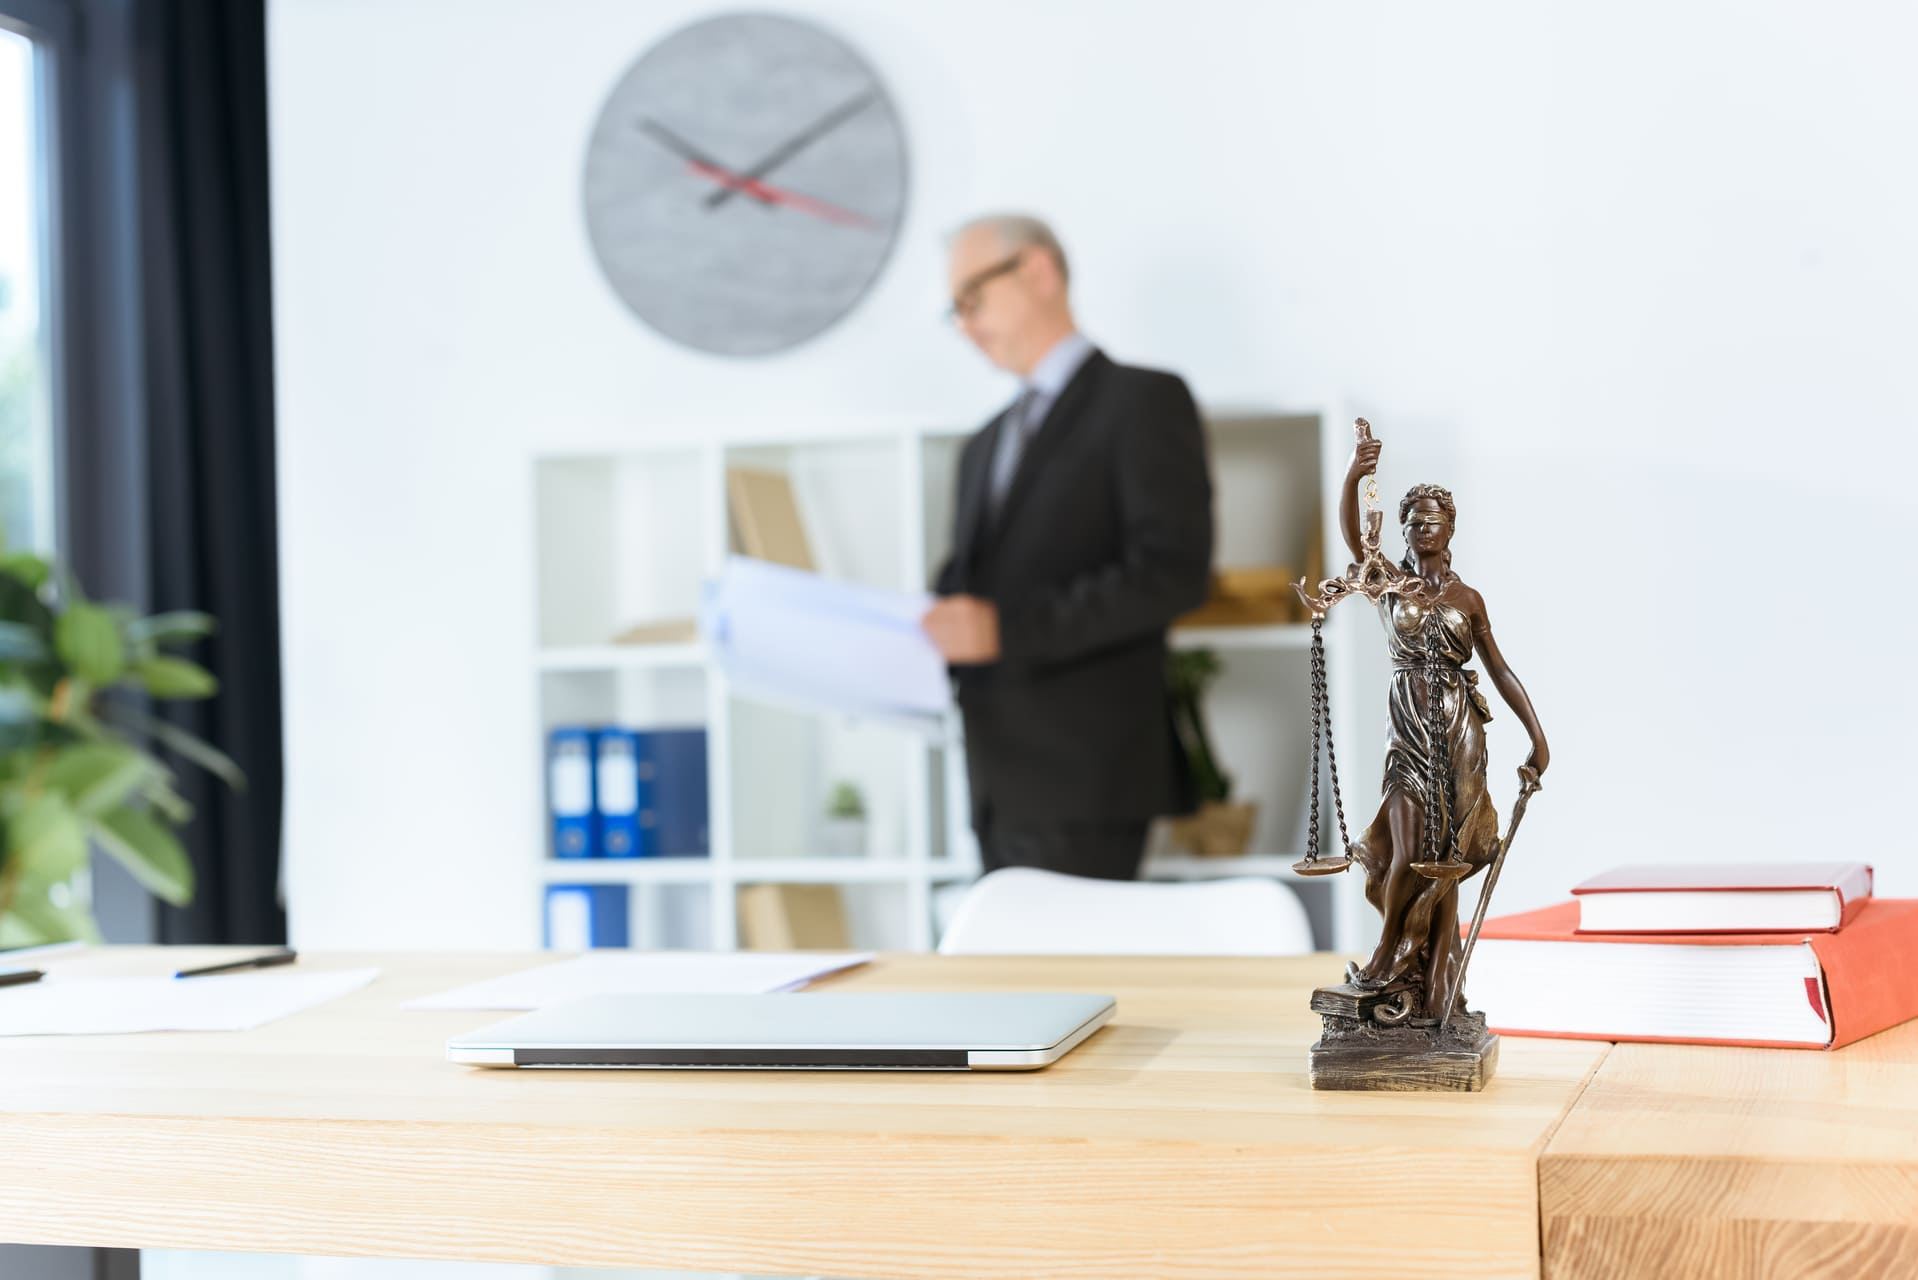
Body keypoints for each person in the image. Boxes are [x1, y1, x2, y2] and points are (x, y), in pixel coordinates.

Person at [922, 214, 1213, 881]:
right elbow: (966, 589)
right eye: (954, 311)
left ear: (1037, 271)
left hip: (1088, 776)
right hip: (994, 783)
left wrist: (1005, 630)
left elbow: (1171, 573)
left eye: (972, 299)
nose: (965, 325)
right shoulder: (983, 444)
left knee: (1079, 979)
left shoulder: (1143, 402)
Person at [1339, 433, 1550, 1021]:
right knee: (1409, 846)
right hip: (1407, 727)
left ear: (1449, 530)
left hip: (1460, 732)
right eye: (1415, 522)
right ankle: (1390, 950)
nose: (1425, 530)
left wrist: (1538, 736)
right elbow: (1354, 538)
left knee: (1449, 854)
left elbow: (1501, 670)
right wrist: (1356, 476)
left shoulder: (1469, 598)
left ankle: (1436, 989)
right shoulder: (1389, 586)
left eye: (1434, 522)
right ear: (1403, 530)